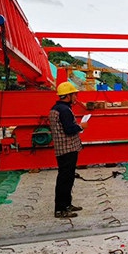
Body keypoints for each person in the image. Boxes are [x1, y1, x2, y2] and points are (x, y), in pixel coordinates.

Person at [48, 81, 87, 218]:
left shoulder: (56, 108)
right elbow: (69, 130)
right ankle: (61, 209)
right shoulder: (65, 111)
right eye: (74, 94)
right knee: (65, 179)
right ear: (68, 96)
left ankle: (67, 204)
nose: (76, 97)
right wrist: (81, 126)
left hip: (62, 149)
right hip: (68, 149)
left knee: (67, 178)